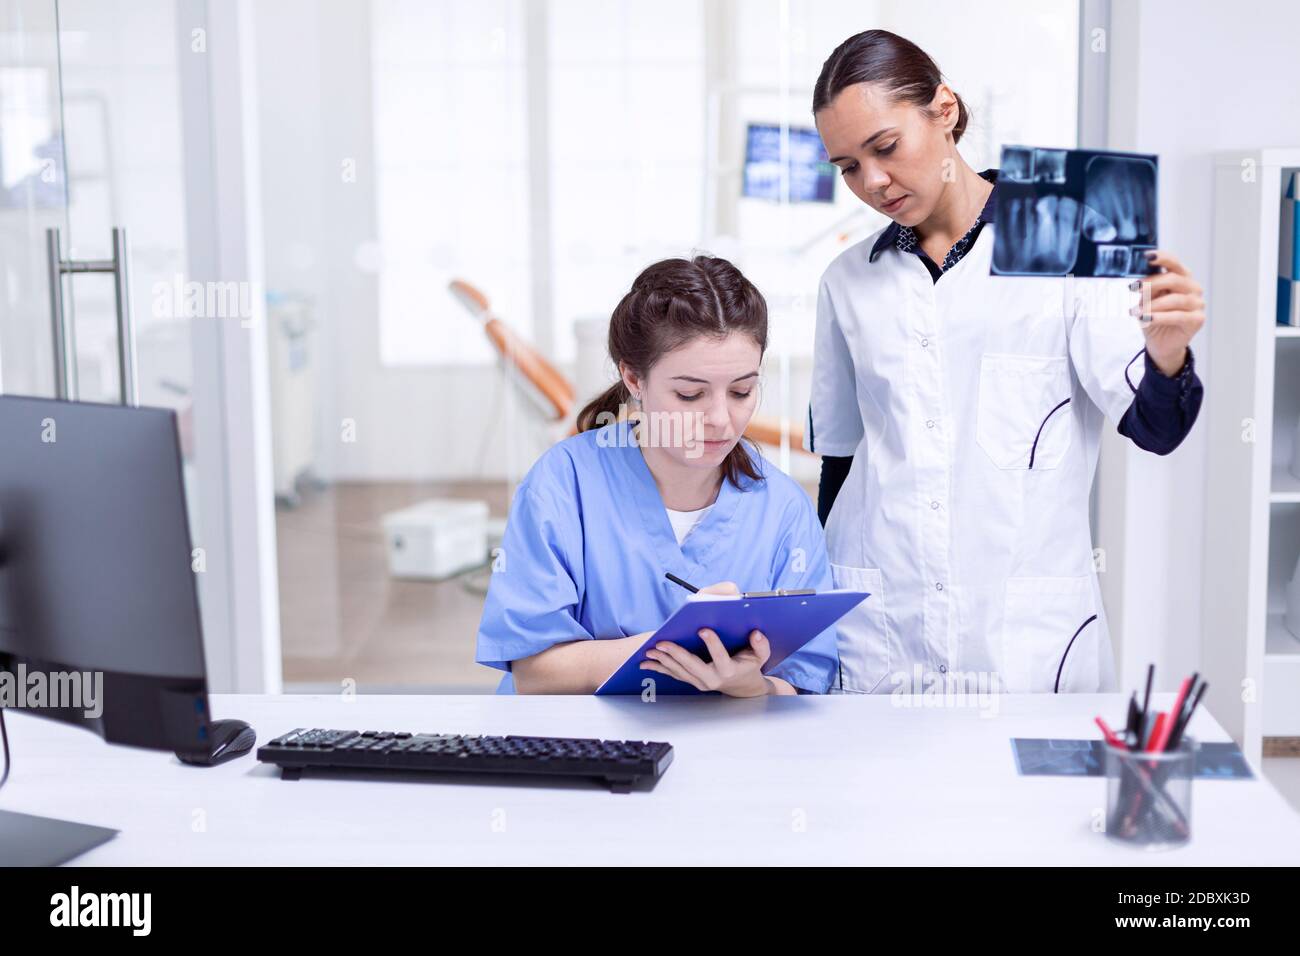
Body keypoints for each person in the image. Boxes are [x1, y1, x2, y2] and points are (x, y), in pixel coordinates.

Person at [805, 30, 1205, 694]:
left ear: (945, 110)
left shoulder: (1073, 234)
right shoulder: (847, 280)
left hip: (1026, 636)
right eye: (846, 166)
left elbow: (1158, 430)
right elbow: (840, 465)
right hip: (880, 632)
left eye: (884, 147)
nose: (871, 182)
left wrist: (1169, 354)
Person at [476, 255, 839, 695]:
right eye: (690, 394)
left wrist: (753, 688)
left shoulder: (782, 508)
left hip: (726, 751)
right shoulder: (563, 483)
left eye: (742, 391)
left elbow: (805, 683)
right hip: (582, 748)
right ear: (633, 378)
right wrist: (671, 648)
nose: (721, 420)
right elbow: (534, 671)